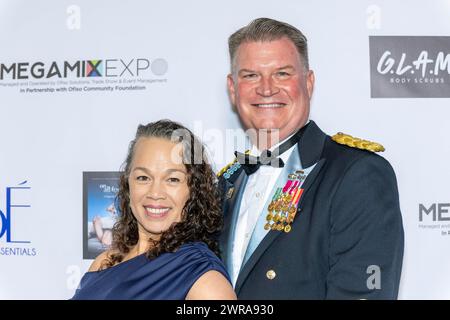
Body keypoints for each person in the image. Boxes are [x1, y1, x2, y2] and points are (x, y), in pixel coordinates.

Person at [218, 18, 404, 299]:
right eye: (251, 75)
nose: (266, 89)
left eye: (282, 74)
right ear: (233, 89)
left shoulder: (358, 174)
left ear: (308, 82)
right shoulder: (226, 183)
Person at [73, 120, 236, 300]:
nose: (155, 193)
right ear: (128, 183)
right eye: (143, 177)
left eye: (172, 179)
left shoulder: (204, 279)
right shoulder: (104, 262)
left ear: (194, 189)